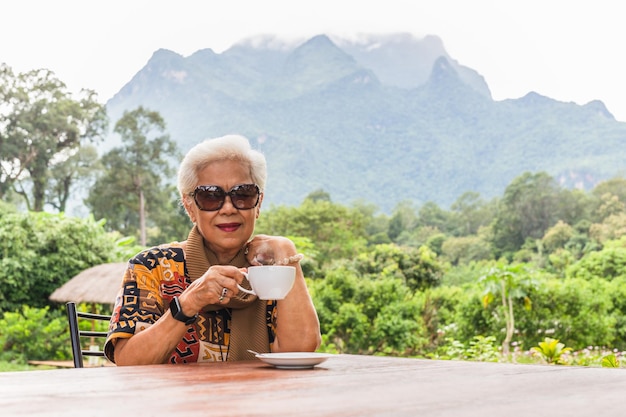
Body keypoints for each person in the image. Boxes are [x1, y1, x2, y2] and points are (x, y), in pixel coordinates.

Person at [104, 134, 321, 365]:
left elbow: (300, 350)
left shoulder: (272, 268)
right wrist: (188, 303)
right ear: (189, 207)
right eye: (210, 197)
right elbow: (127, 360)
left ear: (258, 203)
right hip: (179, 400)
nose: (228, 208)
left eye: (243, 194)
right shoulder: (152, 266)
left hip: (261, 399)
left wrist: (288, 253)